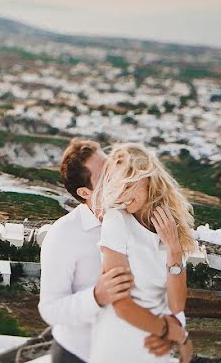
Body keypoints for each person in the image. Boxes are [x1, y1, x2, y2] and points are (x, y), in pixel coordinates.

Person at [39, 139, 173, 363]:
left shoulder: (135, 214)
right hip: (79, 355)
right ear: (84, 192)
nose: (117, 176)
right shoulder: (63, 235)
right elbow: (50, 309)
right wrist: (96, 296)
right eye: (105, 175)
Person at [89, 143, 195, 363]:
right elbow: (121, 304)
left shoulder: (174, 228)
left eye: (127, 187)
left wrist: (174, 248)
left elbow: (176, 305)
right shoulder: (117, 221)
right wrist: (176, 334)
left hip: (156, 345)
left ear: (147, 179)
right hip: (121, 340)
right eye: (116, 188)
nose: (121, 197)